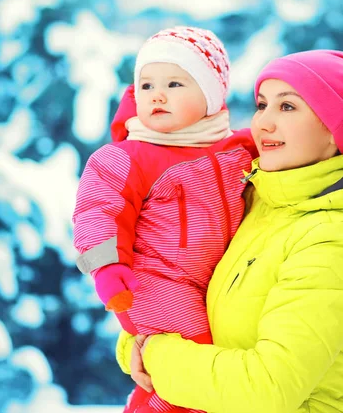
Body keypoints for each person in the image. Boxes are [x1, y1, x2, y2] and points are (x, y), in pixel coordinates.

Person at [116, 50, 343, 413]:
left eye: (287, 107)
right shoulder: (254, 202)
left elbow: (267, 388)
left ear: (334, 126)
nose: (263, 123)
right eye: (261, 104)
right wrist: (134, 346)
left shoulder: (341, 239)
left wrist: (154, 354)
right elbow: (178, 293)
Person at [72, 26, 257, 413]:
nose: (157, 94)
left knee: (180, 375)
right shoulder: (129, 157)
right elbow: (94, 215)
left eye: (174, 83)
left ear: (211, 96)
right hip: (151, 282)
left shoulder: (237, 150)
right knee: (197, 365)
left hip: (208, 284)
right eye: (146, 85)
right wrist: (105, 270)